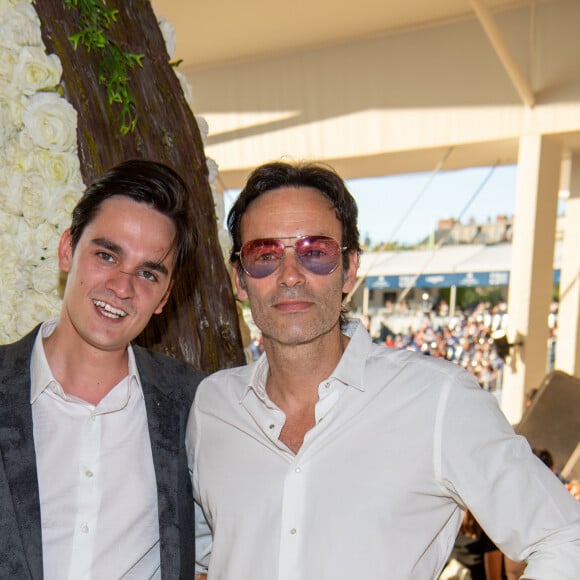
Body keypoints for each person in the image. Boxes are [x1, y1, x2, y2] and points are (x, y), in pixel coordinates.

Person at [187, 160, 580, 579]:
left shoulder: (438, 399)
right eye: (264, 255)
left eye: (315, 252)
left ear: (350, 269)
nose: (290, 275)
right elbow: (199, 556)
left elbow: (563, 540)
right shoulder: (213, 407)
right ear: (241, 279)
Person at [0, 159, 204, 579]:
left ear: (164, 298)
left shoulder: (192, 406)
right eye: (107, 255)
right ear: (66, 249)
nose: (122, 287)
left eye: (148, 273)